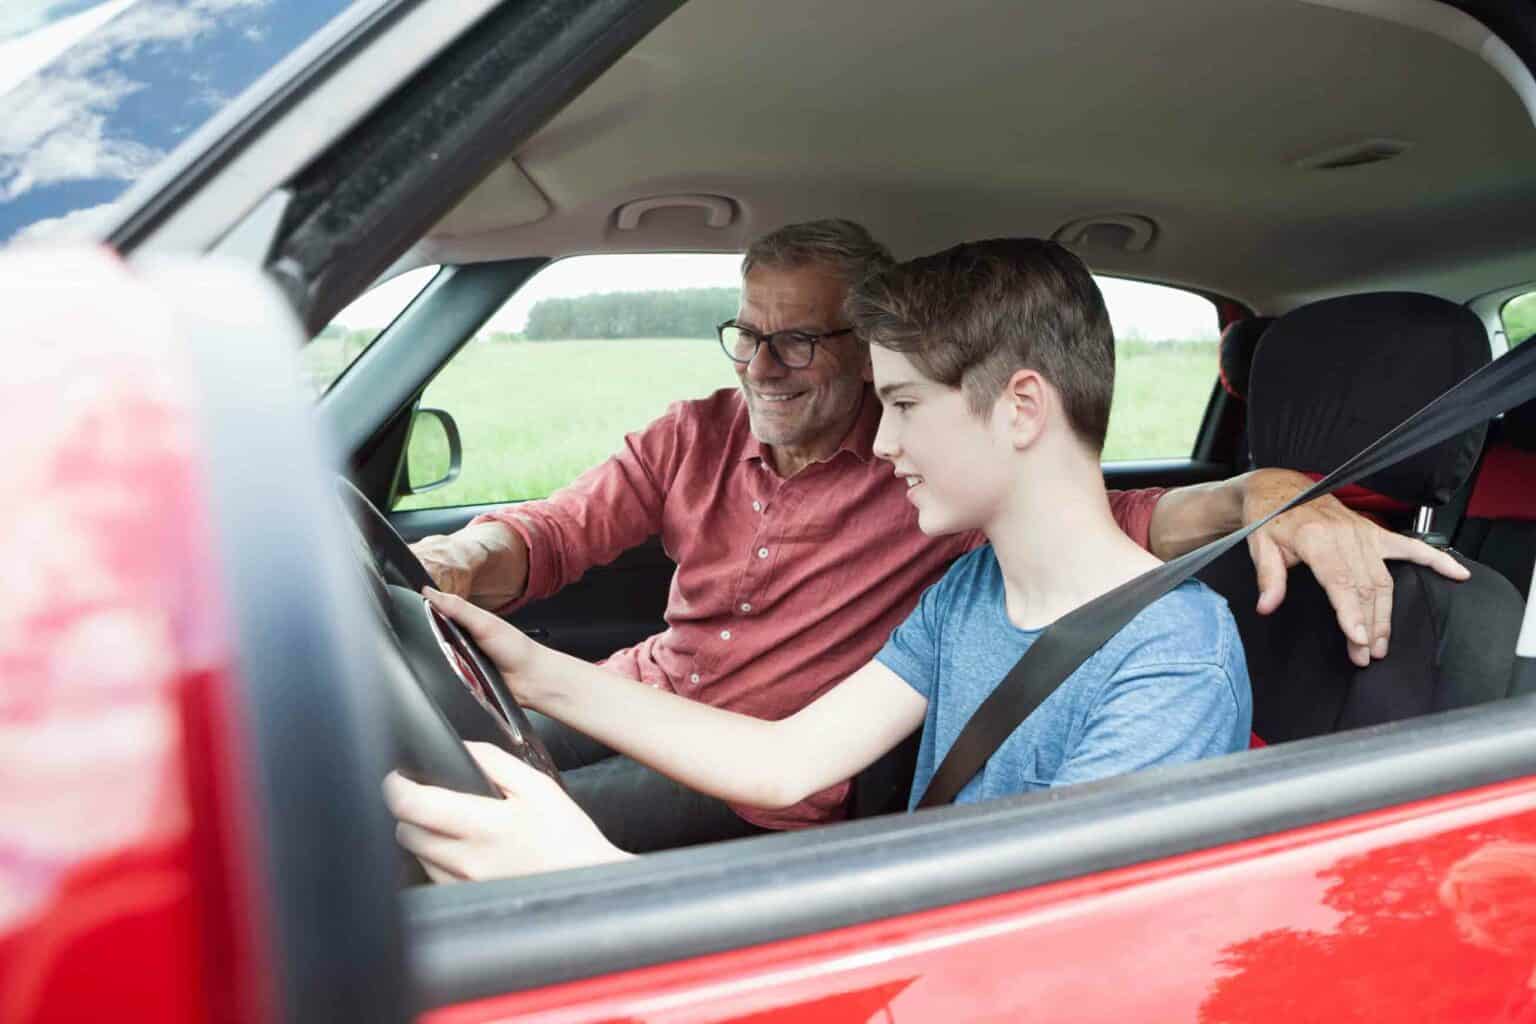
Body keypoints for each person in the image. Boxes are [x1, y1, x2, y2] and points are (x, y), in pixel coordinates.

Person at [407, 220, 1467, 850]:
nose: (887, 437)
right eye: (750, 337)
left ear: (1017, 408)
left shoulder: (1171, 659)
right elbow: (785, 760)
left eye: (903, 403)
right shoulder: (963, 598)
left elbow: (1034, 947)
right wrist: (532, 669)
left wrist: (574, 880)